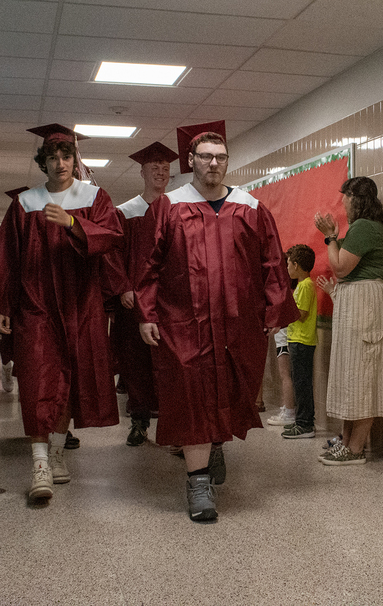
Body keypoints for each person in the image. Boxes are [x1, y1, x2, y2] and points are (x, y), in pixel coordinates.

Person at [137, 122, 298, 522]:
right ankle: (198, 484)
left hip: (237, 323)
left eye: (220, 157)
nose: (213, 163)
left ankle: (215, 445)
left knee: (228, 391)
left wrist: (274, 311)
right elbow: (147, 267)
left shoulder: (251, 207)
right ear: (191, 161)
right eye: (206, 156)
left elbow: (273, 264)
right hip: (182, 323)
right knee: (191, 396)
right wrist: (146, 313)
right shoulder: (168, 206)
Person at [0, 124, 122, 500]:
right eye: (52, 157)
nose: (60, 164)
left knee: (71, 381)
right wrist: (2, 306)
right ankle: (39, 461)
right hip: (35, 305)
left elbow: (111, 237)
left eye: (66, 156)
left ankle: (56, 452)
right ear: (43, 162)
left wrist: (73, 223)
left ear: (75, 160)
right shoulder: (26, 203)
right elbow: (5, 257)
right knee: (39, 380)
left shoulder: (94, 197)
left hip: (81, 306)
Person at [314, 176, 383, 466]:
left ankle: (356, 448)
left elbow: (340, 267)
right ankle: (347, 442)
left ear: (355, 198)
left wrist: (330, 238)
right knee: (353, 375)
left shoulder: (363, 227)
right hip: (361, 302)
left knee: (363, 377)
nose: (343, 204)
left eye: (345, 198)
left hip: (365, 303)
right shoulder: (364, 228)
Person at [105, 142, 177, 447]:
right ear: (142, 171)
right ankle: (138, 420)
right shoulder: (125, 211)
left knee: (173, 362)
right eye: (154, 168)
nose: (160, 172)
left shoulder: (178, 208)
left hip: (170, 302)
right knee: (136, 361)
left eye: (164, 168)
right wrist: (123, 285)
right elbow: (112, 253)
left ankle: (176, 427)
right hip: (134, 300)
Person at [280, 244, 318, 438]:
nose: (287, 268)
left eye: (288, 264)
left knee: (302, 383)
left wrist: (285, 308)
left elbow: (301, 314)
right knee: (300, 381)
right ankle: (303, 421)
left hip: (301, 341)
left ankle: (304, 424)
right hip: (298, 339)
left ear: (296, 265)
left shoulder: (305, 285)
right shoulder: (304, 285)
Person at [264, 328, 295, 426]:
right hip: (284, 339)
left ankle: (289, 412)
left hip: (284, 340)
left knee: (285, 375)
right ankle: (288, 408)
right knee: (285, 376)